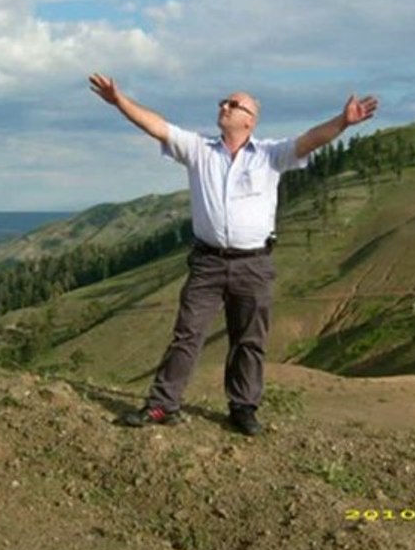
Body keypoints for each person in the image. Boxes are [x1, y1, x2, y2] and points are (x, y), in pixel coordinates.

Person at [89, 73, 378, 436]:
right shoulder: (198, 151)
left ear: (249, 120)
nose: (223, 106)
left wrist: (342, 122)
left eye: (232, 104)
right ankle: (163, 405)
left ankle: (243, 408)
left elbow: (309, 141)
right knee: (187, 334)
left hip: (253, 264)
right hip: (207, 262)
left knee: (249, 339)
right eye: (222, 102)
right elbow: (158, 127)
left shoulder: (271, 155)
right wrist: (120, 101)